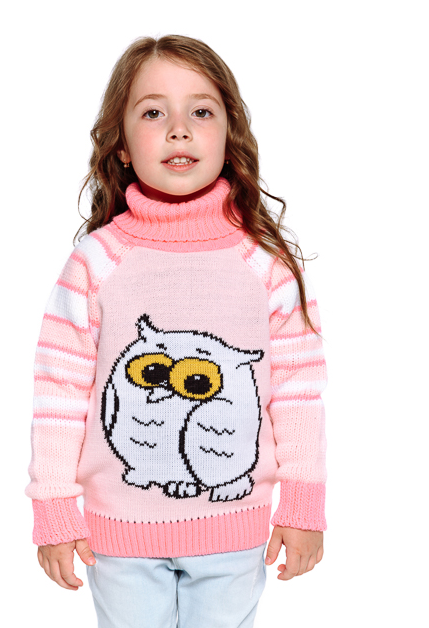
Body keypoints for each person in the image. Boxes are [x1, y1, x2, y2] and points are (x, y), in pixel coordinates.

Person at [25, 34, 328, 628]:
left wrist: (304, 503)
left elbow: (299, 394)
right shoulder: (95, 262)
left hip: (234, 530)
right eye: (153, 112)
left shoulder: (265, 264)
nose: (179, 130)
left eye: (202, 112)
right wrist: (53, 507)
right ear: (121, 146)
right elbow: (58, 391)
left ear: (229, 134)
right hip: (119, 536)